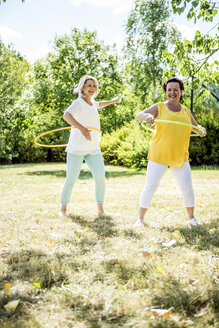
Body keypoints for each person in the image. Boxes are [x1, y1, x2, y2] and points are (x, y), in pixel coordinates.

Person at [134, 77, 206, 227]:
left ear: (181, 92)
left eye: (175, 90)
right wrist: (147, 116)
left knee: (187, 188)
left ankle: (191, 219)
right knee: (150, 186)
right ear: (166, 92)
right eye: (169, 90)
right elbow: (138, 115)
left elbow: (195, 127)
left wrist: (201, 130)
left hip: (180, 156)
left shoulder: (186, 111)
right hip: (158, 155)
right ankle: (140, 219)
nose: (172, 93)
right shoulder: (159, 107)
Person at [60, 75, 120, 217]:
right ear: (82, 87)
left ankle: (100, 209)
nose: (91, 88)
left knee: (100, 177)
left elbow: (101, 104)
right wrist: (82, 129)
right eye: (88, 85)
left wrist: (113, 101)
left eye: (94, 85)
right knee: (71, 179)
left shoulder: (93, 103)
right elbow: (66, 115)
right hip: (76, 149)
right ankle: (63, 209)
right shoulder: (78, 102)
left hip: (93, 148)